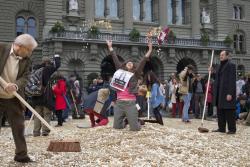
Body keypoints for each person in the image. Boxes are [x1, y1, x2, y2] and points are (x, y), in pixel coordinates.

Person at [0, 34, 37, 163]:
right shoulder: (1, 48)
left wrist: (15, 85)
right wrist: (4, 85)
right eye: (29, 49)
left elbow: (26, 77)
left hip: (13, 98)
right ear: (20, 46)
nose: (30, 53)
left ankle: (21, 155)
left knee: (19, 127)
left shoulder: (27, 60)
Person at [106, 37, 152, 131]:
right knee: (117, 127)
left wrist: (150, 50)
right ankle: (126, 121)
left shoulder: (135, 75)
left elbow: (143, 61)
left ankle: (137, 122)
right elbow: (115, 59)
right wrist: (110, 48)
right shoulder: (120, 72)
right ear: (124, 65)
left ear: (134, 67)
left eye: (131, 63)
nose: (130, 63)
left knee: (135, 128)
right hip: (119, 103)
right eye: (128, 62)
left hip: (130, 103)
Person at [32, 54, 61, 137]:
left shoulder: (35, 69)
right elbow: (57, 65)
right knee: (46, 114)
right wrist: (56, 57)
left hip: (35, 95)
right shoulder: (47, 69)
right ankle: (45, 131)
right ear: (48, 63)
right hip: (45, 95)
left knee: (37, 114)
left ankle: (36, 132)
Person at [212, 50, 236, 134]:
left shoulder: (231, 65)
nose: (220, 56)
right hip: (219, 91)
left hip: (227, 91)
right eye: (220, 55)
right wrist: (212, 73)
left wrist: (230, 92)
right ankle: (221, 128)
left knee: (229, 110)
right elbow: (217, 78)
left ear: (227, 56)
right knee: (220, 110)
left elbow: (232, 80)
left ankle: (232, 129)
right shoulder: (219, 66)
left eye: (222, 55)